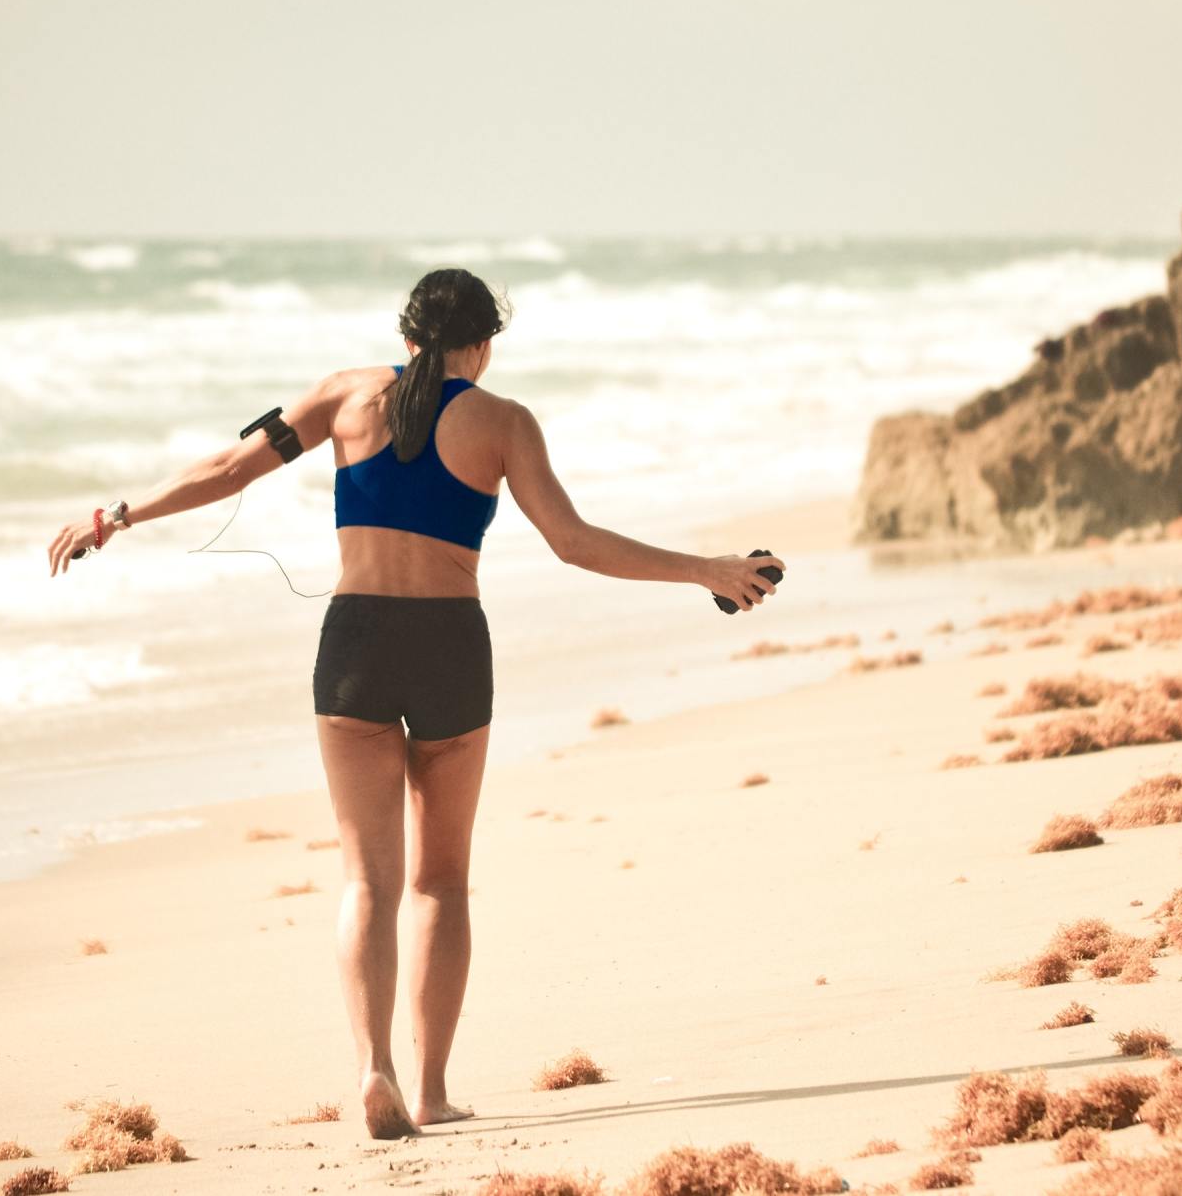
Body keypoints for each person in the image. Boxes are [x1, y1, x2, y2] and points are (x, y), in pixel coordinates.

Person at [46, 268, 786, 1139]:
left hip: (354, 645)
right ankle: (431, 1089)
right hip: (448, 647)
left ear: (405, 337)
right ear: (482, 344)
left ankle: (373, 1069)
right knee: (440, 882)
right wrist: (708, 569)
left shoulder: (341, 397)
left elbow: (226, 468)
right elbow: (574, 543)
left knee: (368, 879)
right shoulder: (504, 422)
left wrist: (117, 516)